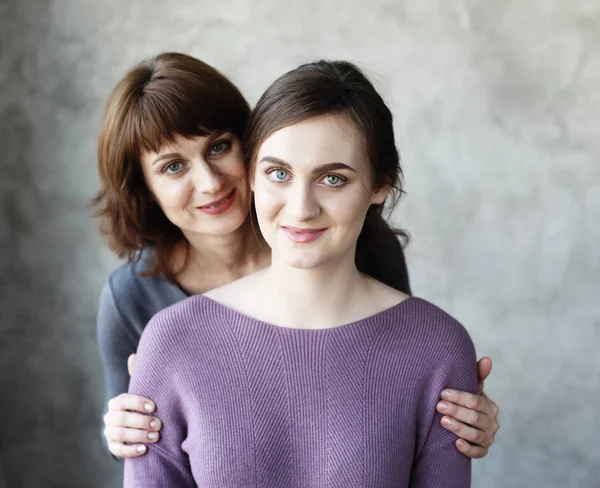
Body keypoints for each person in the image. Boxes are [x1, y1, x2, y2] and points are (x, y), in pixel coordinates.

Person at [95, 53, 499, 463]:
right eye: (173, 166)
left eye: (219, 147)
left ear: (251, 146)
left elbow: (397, 375)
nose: (210, 182)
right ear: (143, 188)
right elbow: (142, 443)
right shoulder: (132, 297)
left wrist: (454, 422)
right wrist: (119, 430)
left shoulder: (355, 245)